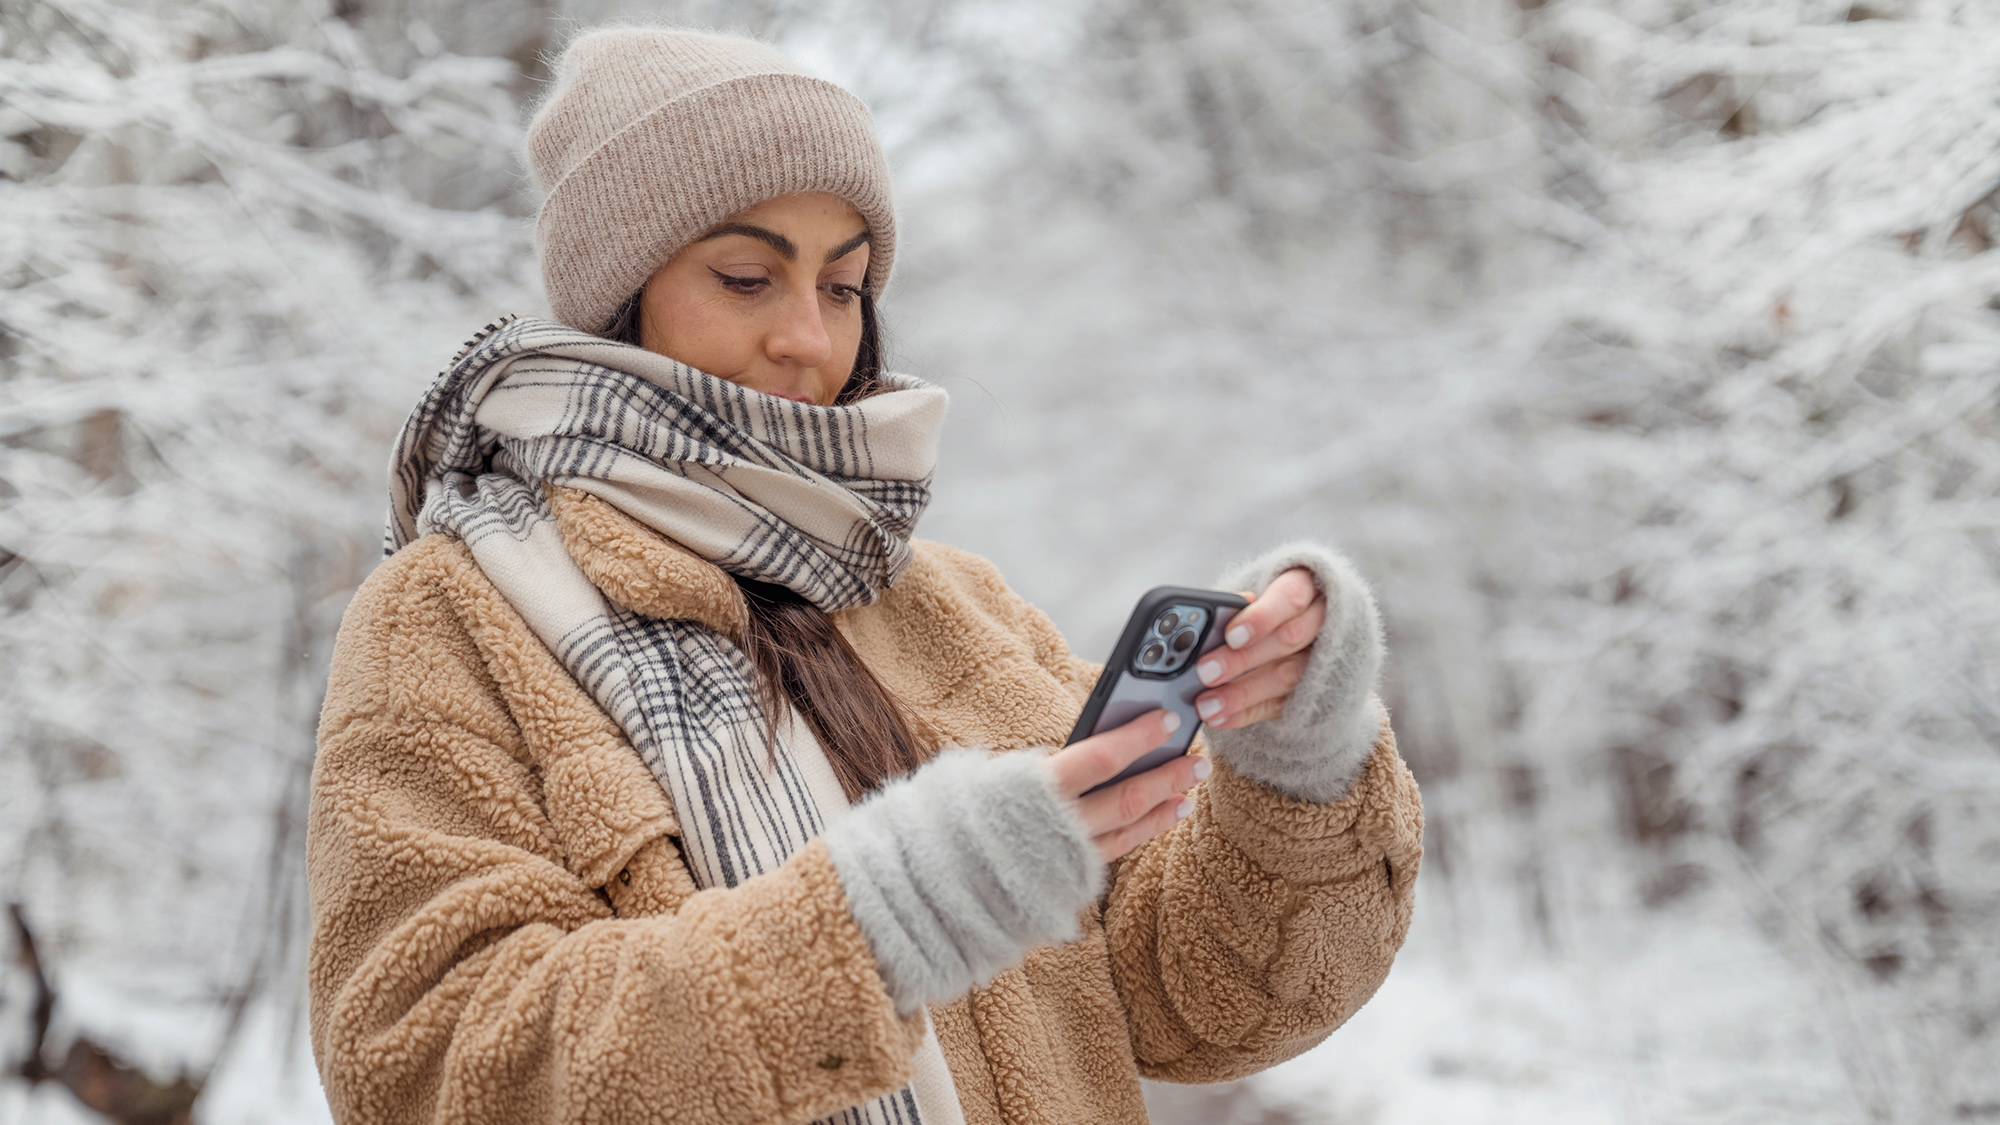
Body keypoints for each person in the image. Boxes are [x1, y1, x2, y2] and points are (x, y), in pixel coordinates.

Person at [305, 25, 1422, 1125]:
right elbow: (428, 1069)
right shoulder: (449, 617)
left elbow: (1201, 1009)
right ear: (618, 290)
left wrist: (1295, 760)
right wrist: (878, 921)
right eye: (746, 277)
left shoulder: (947, 604)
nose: (808, 339)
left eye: (841, 289)